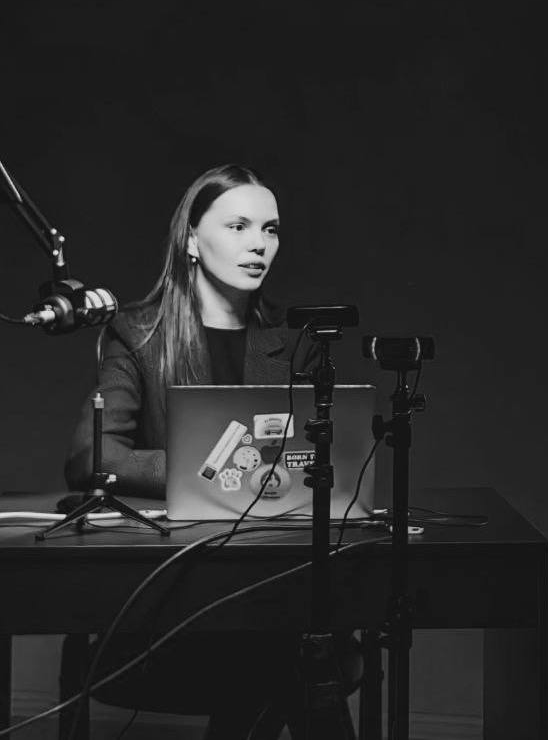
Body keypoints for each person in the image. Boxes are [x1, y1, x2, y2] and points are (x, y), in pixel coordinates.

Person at [61, 164, 361, 740]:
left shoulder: (293, 342)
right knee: (295, 655)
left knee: (286, 640)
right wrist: (212, 472)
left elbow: (313, 464)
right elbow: (92, 457)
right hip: (174, 600)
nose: (259, 244)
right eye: (239, 226)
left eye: (270, 229)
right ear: (192, 240)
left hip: (269, 581)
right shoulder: (138, 335)